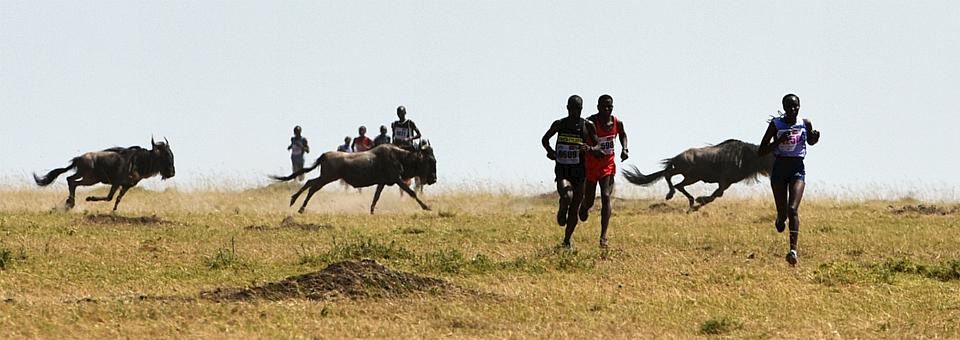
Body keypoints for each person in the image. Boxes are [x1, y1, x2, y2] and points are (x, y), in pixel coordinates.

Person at [757, 93, 821, 266]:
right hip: (779, 169)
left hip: (797, 169)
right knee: (783, 214)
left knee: (793, 209)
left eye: (796, 106)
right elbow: (761, 151)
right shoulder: (776, 125)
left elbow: (811, 142)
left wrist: (814, 138)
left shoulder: (804, 123)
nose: (793, 109)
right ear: (784, 108)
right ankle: (779, 218)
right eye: (789, 107)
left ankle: (793, 250)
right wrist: (778, 142)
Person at [541, 95, 598, 249]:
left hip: (580, 172)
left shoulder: (587, 125)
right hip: (563, 170)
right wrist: (551, 152)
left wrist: (590, 148)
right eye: (572, 109)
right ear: (567, 108)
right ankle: (562, 207)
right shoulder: (560, 124)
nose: (575, 113)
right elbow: (544, 139)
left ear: (582, 109)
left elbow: (598, 146)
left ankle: (567, 240)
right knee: (567, 196)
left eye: (578, 110)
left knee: (575, 208)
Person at [579, 94, 629, 248]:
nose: (607, 109)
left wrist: (625, 149)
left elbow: (623, 135)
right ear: (598, 107)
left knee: (606, 196)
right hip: (591, 165)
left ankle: (603, 237)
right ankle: (584, 207)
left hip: (607, 165)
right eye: (604, 106)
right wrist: (589, 150)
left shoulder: (616, 122)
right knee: (590, 200)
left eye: (610, 106)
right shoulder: (590, 122)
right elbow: (582, 140)